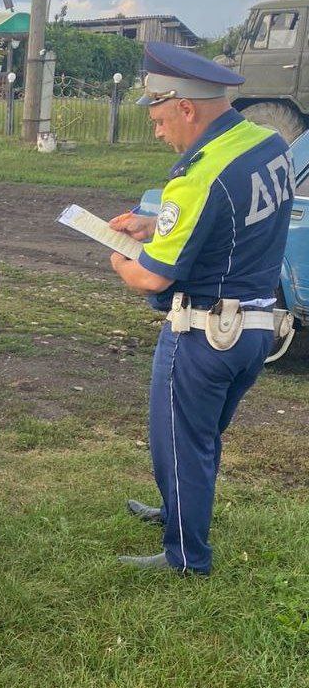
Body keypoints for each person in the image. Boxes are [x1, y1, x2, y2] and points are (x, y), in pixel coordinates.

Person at [107, 42, 294, 575]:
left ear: (186, 107)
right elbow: (231, 226)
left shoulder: (196, 178)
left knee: (180, 442)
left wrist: (121, 256)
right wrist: (155, 225)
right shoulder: (267, 144)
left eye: (160, 119)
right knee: (201, 437)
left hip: (204, 333)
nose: (159, 132)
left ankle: (185, 557)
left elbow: (151, 276)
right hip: (256, 329)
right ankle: (175, 510)